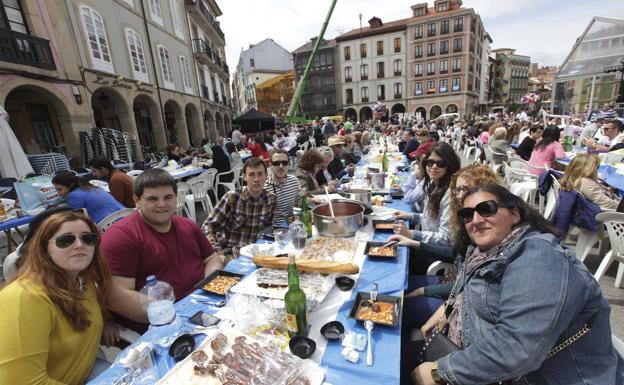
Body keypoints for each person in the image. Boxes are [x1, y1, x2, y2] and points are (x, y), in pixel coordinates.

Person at [411, 184, 624, 385]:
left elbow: (515, 347)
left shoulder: (540, 257)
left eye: (486, 209)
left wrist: (439, 372)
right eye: (466, 215)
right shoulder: (487, 252)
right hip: (479, 360)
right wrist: (447, 308)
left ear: (515, 214)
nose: (475, 219)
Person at [101, 169, 223, 332]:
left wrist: (208, 290)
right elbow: (117, 296)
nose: (162, 204)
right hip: (162, 326)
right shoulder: (121, 237)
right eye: (152, 199)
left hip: (205, 306)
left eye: (168, 197)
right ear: (136, 200)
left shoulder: (188, 225)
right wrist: (173, 316)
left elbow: (211, 259)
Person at [0, 210, 112, 384]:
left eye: (88, 239)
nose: (79, 245)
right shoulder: (23, 299)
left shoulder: (82, 278)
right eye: (65, 240)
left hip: (86, 372)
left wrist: (107, 320)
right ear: (44, 248)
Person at [205, 157, 276, 262]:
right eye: (251, 175)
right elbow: (208, 227)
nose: (256, 179)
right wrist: (218, 253)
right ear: (244, 177)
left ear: (266, 176)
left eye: (260, 174)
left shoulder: (271, 199)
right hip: (227, 252)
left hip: (252, 253)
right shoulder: (232, 197)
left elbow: (266, 231)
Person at [394, 142, 461, 249]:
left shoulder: (450, 194)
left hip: (435, 253)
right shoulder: (432, 184)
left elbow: (446, 238)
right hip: (427, 245)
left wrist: (411, 234)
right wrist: (409, 216)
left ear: (449, 166)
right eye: (430, 162)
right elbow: (431, 220)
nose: (434, 167)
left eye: (441, 163)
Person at [52, 171, 125, 223]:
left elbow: (79, 220)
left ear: (70, 185)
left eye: (60, 189)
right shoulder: (92, 188)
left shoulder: (73, 196)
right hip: (124, 217)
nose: (58, 193)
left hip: (108, 225)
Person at [559, 153, 624, 212]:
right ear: (590, 168)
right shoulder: (586, 183)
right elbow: (607, 204)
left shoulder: (575, 179)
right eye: (597, 167)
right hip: (609, 214)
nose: (597, 170)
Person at [264, 149, 301, 227]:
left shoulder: (294, 181)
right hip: (274, 230)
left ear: (289, 165)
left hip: (293, 224)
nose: (281, 166)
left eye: (284, 163)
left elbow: (300, 203)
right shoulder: (265, 187)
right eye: (276, 163)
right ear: (270, 166)